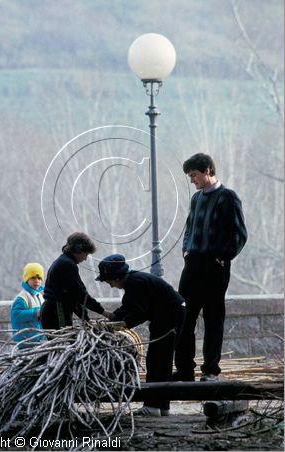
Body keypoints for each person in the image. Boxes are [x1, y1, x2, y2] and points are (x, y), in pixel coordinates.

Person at [173, 153, 248, 382]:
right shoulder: (196, 199)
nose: (192, 180)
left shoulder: (228, 197)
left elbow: (239, 235)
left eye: (194, 175)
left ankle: (210, 371)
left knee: (213, 319)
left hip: (215, 267)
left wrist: (221, 257)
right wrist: (186, 250)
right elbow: (189, 228)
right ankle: (185, 370)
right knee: (184, 316)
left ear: (207, 170)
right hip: (192, 265)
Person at [96, 254, 186, 417]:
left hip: (169, 316)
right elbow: (128, 307)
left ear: (116, 277)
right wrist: (113, 318)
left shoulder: (135, 283)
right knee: (161, 360)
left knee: (158, 360)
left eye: (108, 281)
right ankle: (162, 406)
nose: (109, 285)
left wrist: (121, 325)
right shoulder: (134, 282)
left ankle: (152, 406)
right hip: (169, 315)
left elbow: (138, 312)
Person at [41, 232, 112, 329]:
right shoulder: (67, 264)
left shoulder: (64, 261)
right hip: (57, 312)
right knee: (64, 343)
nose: (85, 258)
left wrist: (86, 318)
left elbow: (73, 296)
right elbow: (81, 294)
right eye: (85, 254)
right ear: (78, 249)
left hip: (54, 312)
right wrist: (103, 312)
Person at [10, 262, 45, 347]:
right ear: (27, 279)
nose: (37, 280)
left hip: (38, 340)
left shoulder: (39, 295)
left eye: (39, 278)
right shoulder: (22, 298)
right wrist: (35, 313)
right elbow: (16, 315)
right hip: (26, 341)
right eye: (33, 277)